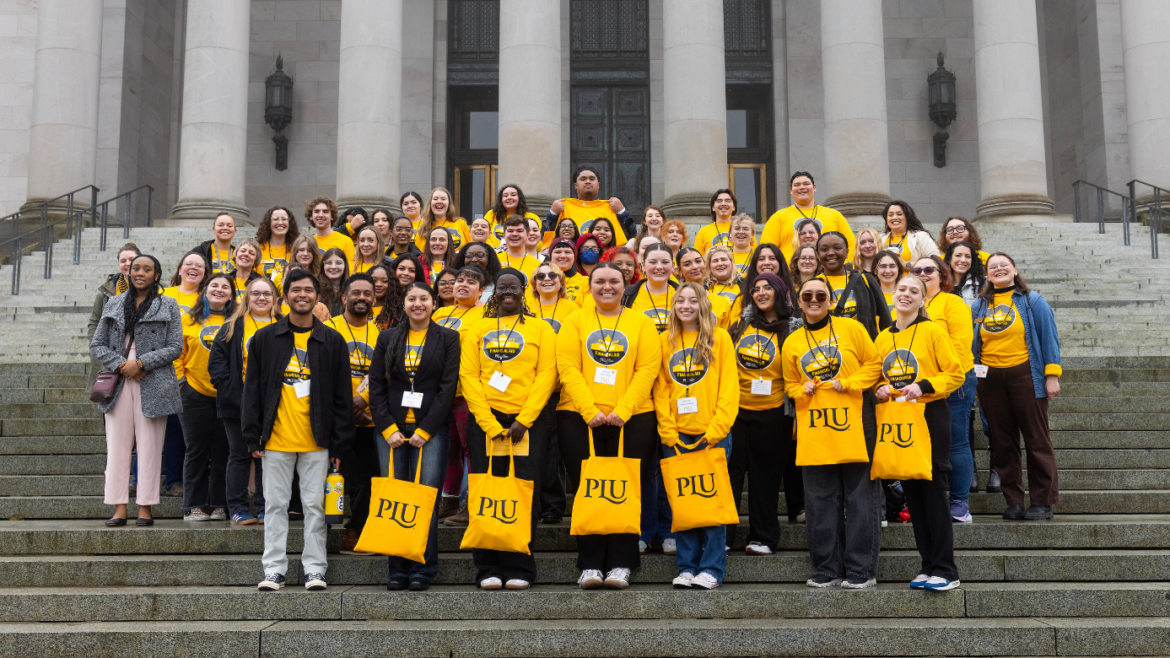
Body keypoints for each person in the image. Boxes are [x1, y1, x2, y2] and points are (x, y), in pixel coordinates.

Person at [246, 269, 355, 592]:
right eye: (296, 290)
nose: (302, 295)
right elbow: (252, 390)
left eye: (309, 290)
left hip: (317, 442)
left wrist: (339, 445)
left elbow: (341, 398)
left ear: (318, 297)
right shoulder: (266, 338)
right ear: (285, 296)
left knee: (314, 507)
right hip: (275, 440)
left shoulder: (332, 340)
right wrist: (252, 435)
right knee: (275, 506)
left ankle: (315, 569)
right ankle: (274, 569)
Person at [556, 262, 661, 590]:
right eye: (599, 281)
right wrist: (589, 409)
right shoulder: (575, 320)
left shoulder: (641, 323)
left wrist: (624, 409)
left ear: (626, 283)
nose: (607, 286)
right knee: (588, 490)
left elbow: (647, 369)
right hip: (578, 417)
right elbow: (568, 367)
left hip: (633, 418)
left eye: (614, 281)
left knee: (626, 490)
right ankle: (589, 565)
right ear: (589, 285)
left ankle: (621, 563)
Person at [781, 278, 882, 588]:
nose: (814, 300)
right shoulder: (792, 342)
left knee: (860, 497)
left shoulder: (851, 328)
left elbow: (875, 363)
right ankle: (827, 567)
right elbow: (789, 385)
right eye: (807, 295)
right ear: (799, 301)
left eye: (820, 295)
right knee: (820, 499)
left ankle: (860, 570)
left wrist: (851, 382)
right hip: (815, 427)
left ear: (830, 299)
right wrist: (802, 388)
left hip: (855, 423)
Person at [461, 269, 558, 590]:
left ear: (523, 290)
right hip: (486, 424)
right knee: (488, 492)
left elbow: (546, 375)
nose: (507, 293)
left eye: (513, 287)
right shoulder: (477, 328)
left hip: (526, 424)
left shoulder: (541, 329)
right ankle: (487, 566)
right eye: (501, 288)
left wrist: (524, 419)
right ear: (492, 293)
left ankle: (520, 565)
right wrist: (489, 423)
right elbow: (469, 377)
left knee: (522, 492)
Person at [868, 273, 964, 591]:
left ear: (923, 299)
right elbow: (879, 377)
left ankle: (946, 569)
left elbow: (955, 374)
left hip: (929, 418)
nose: (906, 294)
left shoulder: (933, 331)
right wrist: (881, 389)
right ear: (892, 295)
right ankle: (928, 565)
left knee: (934, 495)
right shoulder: (883, 338)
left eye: (914, 291)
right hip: (898, 422)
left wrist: (922, 386)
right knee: (913, 497)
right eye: (901, 289)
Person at [368, 280, 459, 590]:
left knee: (425, 501)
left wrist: (425, 430)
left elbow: (447, 389)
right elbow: (377, 386)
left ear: (434, 303)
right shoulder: (388, 337)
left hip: (429, 431)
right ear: (403, 304)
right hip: (391, 432)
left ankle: (422, 568)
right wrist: (388, 428)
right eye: (412, 299)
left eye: (424, 298)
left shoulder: (448, 338)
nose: (418, 303)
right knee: (395, 500)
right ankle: (397, 570)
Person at [653, 283, 739, 589]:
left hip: (712, 434)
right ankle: (687, 566)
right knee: (683, 504)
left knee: (710, 503)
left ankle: (712, 569)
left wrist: (716, 430)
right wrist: (667, 430)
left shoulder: (721, 339)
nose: (686, 305)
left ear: (703, 304)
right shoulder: (665, 341)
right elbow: (660, 390)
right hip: (676, 437)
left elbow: (729, 389)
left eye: (692, 300)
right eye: (680, 301)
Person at [90, 254, 183, 526]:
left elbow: (175, 346)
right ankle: (119, 508)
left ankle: (145, 509)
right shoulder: (114, 303)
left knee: (151, 447)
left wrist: (141, 363)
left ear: (157, 275)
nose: (140, 273)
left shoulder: (169, 304)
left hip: (153, 381)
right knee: (117, 447)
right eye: (135, 268)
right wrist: (123, 365)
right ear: (128, 273)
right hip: (119, 382)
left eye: (147, 269)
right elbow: (97, 345)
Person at [973, 253, 1062, 521]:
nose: (998, 269)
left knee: (1036, 439)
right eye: (993, 267)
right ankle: (1013, 500)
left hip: (1026, 375)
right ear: (987, 275)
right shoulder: (979, 306)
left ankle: (1042, 502)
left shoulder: (1033, 301)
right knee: (1002, 442)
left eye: (1004, 265)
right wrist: (976, 380)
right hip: (989, 379)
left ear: (1014, 269)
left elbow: (1049, 338)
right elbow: (974, 345)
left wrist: (1052, 375)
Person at [727, 273, 795, 554]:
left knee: (765, 478)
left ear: (780, 292)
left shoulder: (791, 329)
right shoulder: (740, 325)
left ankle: (763, 537)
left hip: (773, 413)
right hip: (737, 412)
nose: (761, 292)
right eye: (756, 289)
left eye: (768, 288)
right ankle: (724, 536)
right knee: (730, 476)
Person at [208, 276, 283, 526]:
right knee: (239, 455)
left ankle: (264, 507)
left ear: (275, 299)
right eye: (256, 293)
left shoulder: (285, 325)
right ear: (247, 297)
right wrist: (229, 388)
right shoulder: (232, 325)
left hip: (277, 405)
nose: (261, 298)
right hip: (237, 403)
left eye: (267, 294)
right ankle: (238, 508)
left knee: (267, 457)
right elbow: (217, 362)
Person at [911, 255, 977, 523]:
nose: (923, 273)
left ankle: (960, 503)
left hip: (952, 383)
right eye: (917, 270)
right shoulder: (909, 304)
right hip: (916, 386)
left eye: (930, 269)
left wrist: (949, 382)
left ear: (942, 275)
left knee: (956, 441)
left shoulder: (953, 303)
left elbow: (961, 347)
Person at [324, 274, 382, 554]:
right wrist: (349, 405)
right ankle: (329, 536)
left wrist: (364, 400)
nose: (362, 298)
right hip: (335, 419)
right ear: (344, 297)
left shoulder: (380, 333)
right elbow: (322, 372)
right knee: (336, 477)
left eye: (367, 294)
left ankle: (355, 529)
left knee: (371, 479)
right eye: (356, 293)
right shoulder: (328, 328)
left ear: (374, 299)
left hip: (368, 420)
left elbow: (381, 373)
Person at [175, 272, 236, 522]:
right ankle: (194, 505)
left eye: (225, 287)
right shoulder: (188, 319)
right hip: (194, 393)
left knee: (224, 451)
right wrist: (182, 384)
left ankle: (219, 504)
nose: (219, 289)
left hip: (227, 394)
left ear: (232, 294)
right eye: (214, 285)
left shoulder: (238, 321)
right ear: (205, 290)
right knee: (197, 450)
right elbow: (177, 354)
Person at [435, 266, 487, 525]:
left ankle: (473, 504)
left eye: (471, 282)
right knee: (448, 449)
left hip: (468, 394)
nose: (463, 285)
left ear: (482, 290)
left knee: (471, 449)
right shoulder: (440, 313)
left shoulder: (486, 315)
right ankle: (450, 500)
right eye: (459, 281)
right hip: (440, 394)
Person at [530, 262, 579, 523]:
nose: (547, 279)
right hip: (531, 389)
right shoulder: (526, 309)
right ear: (534, 283)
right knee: (535, 450)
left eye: (553, 275)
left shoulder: (573, 309)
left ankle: (553, 506)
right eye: (541, 276)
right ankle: (533, 504)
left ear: (562, 282)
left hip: (562, 390)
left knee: (554, 452)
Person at [762, 171, 855, 262]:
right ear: (791, 190)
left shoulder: (834, 215)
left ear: (814, 188)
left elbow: (851, 245)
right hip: (789, 274)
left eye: (806, 184)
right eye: (797, 185)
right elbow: (766, 249)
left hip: (828, 274)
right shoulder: (778, 217)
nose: (802, 187)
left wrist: (845, 267)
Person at [816, 232, 891, 339]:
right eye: (824, 250)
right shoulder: (811, 285)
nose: (831, 253)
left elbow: (885, 319)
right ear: (818, 254)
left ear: (846, 252)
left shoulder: (865, 280)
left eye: (837, 248)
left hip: (864, 346)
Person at [88, 243, 141, 385]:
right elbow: (94, 321)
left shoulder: (153, 289)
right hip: (111, 353)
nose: (127, 264)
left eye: (132, 259)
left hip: (140, 351)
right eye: (123, 261)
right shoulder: (106, 292)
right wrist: (100, 347)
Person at [545, 165, 636, 245]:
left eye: (592, 179)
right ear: (575, 185)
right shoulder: (564, 207)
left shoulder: (612, 208)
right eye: (583, 179)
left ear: (598, 185)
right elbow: (546, 237)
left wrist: (622, 212)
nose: (588, 181)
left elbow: (631, 236)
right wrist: (553, 214)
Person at [623, 243, 677, 333]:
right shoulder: (627, 295)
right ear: (643, 266)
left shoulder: (682, 295)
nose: (659, 267)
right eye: (653, 262)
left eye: (665, 262)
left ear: (673, 266)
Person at [880, 200, 939, 266]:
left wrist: (906, 264)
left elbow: (936, 260)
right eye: (890, 215)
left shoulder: (921, 236)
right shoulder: (879, 238)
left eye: (899, 214)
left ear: (907, 217)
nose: (894, 217)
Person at [415, 187, 470, 252]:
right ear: (430, 203)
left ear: (449, 203)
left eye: (443, 199)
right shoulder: (423, 227)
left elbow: (471, 247)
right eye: (435, 199)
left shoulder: (461, 223)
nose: (439, 201)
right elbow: (419, 255)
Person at [257, 206, 299, 289]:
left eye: (284, 219)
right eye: (275, 219)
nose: (280, 222)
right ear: (268, 223)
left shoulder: (297, 250)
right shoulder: (257, 249)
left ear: (289, 223)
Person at [694, 189, 737, 256]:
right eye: (719, 201)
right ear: (713, 207)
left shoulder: (743, 230)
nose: (723, 204)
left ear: (734, 207)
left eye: (727, 201)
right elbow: (697, 259)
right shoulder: (703, 232)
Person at [498, 215, 540, 284]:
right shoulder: (494, 261)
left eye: (519, 231)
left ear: (527, 235)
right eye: (510, 231)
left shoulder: (538, 266)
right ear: (504, 235)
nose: (514, 234)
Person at [945, 241, 986, 307]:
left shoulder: (983, 284)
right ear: (949, 259)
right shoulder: (939, 284)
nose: (963, 260)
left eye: (967, 256)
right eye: (958, 255)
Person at [547, 237, 586, 302]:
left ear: (574, 257)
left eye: (567, 252)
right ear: (550, 257)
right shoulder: (540, 280)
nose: (563, 256)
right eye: (558, 252)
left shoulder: (585, 282)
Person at [319, 248, 350, 317]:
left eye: (338, 263)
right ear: (323, 266)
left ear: (345, 265)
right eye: (329, 263)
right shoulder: (316, 290)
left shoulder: (351, 290)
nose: (333, 267)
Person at [231, 239, 262, 305]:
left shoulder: (262, 283)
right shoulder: (225, 280)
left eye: (251, 253)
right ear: (236, 254)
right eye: (242, 251)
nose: (246, 254)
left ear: (255, 259)